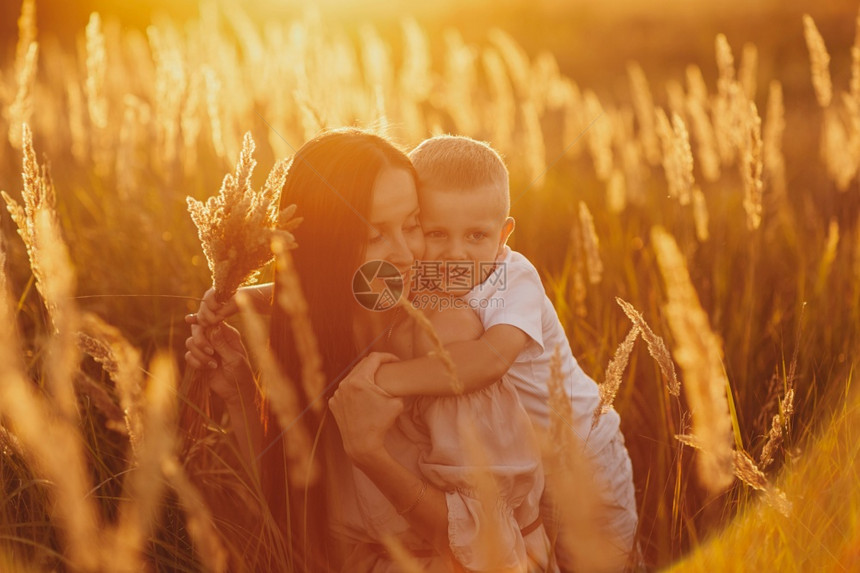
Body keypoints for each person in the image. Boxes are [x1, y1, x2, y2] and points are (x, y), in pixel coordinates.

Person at [184, 128, 555, 572]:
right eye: (375, 234)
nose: (406, 253)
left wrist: (371, 454)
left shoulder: (445, 346)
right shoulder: (319, 335)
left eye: (413, 224)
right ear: (326, 250)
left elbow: (493, 546)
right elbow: (293, 504)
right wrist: (242, 395)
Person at [369, 135, 640, 572]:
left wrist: (384, 382)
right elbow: (351, 286)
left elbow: (489, 361)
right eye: (437, 233)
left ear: (504, 233)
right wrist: (252, 298)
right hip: (525, 474)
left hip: (585, 461)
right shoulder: (420, 273)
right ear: (417, 227)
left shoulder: (512, 280)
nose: (455, 253)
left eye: (476, 235)